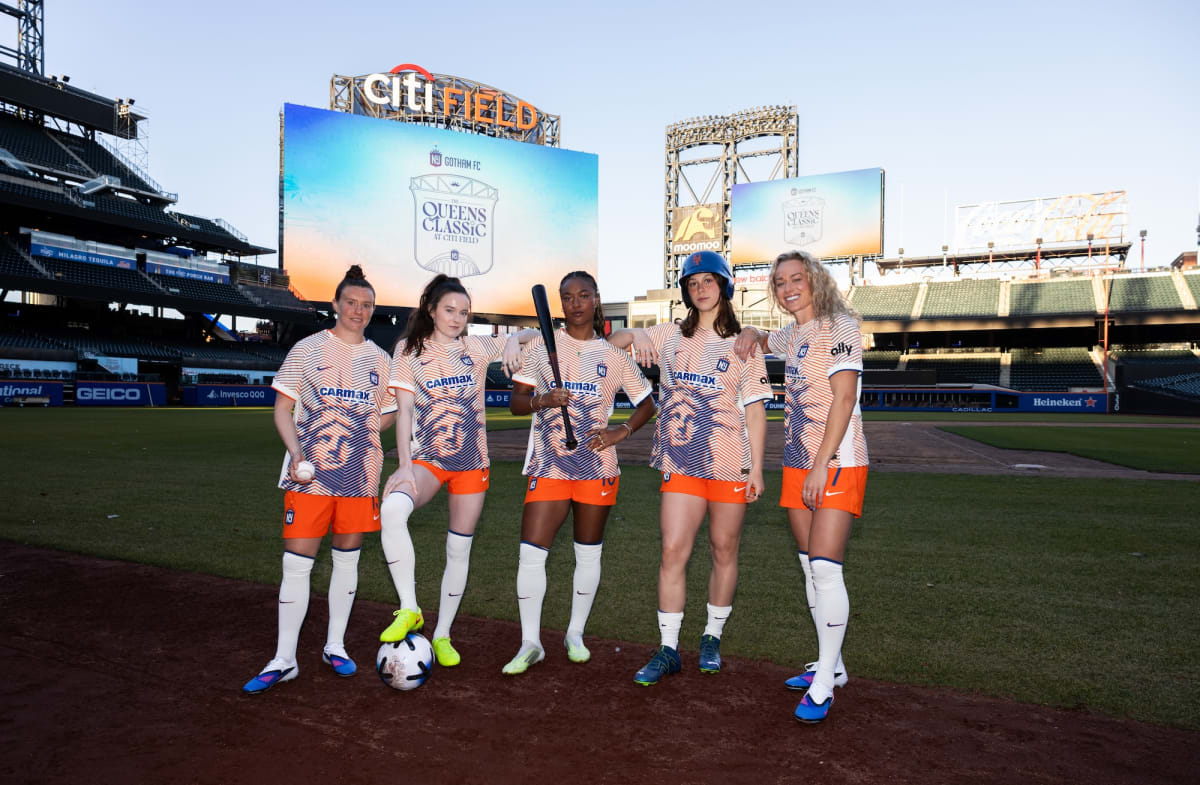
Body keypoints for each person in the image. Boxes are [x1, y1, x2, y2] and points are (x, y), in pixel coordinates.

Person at [608, 250, 771, 685]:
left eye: (708, 281)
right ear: (685, 291)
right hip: (680, 462)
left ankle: (711, 638)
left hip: (729, 463)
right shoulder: (669, 335)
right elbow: (611, 344)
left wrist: (756, 469)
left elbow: (755, 412)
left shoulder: (744, 345)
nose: (700, 289)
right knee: (672, 550)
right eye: (692, 283)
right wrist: (633, 335)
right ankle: (667, 648)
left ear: (724, 287)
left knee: (723, 549)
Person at [243, 265, 396, 694]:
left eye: (366, 305)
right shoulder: (308, 349)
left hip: (358, 475)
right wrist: (295, 453)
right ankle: (284, 658)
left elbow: (388, 413)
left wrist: (364, 426)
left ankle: (335, 646)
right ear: (335, 304)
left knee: (347, 561)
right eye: (350, 302)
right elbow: (281, 410)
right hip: (309, 476)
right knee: (297, 564)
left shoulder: (381, 360)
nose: (358, 311)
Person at [734, 250, 868, 724]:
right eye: (780, 281)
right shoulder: (794, 333)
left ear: (815, 280)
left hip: (835, 463)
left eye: (797, 278)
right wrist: (752, 333)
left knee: (827, 570)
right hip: (796, 464)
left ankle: (825, 681)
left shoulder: (841, 325)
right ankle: (834, 666)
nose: (788, 287)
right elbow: (767, 339)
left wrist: (821, 463)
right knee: (811, 567)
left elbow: (845, 397)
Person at [501, 270, 655, 675]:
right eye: (567, 297)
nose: (575, 303)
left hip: (597, 466)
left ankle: (575, 633)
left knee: (587, 553)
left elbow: (647, 403)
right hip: (549, 465)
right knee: (531, 554)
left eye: (583, 295)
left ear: (595, 298)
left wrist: (620, 431)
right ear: (561, 303)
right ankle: (530, 642)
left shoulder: (615, 357)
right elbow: (517, 402)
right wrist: (544, 400)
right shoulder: (539, 349)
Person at [378, 274, 538, 666]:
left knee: (458, 550)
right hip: (429, 460)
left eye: (464, 312)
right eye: (449, 310)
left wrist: (516, 340)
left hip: (472, 464)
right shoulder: (409, 351)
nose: (456, 318)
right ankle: (410, 607)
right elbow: (404, 413)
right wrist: (402, 466)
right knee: (392, 511)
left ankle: (444, 634)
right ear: (431, 310)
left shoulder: (477, 346)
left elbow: (533, 335)